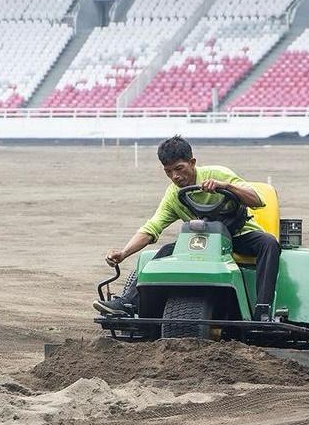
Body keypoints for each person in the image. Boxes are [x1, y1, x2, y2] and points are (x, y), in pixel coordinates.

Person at [93, 135, 281, 321]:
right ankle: (128, 303)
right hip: (203, 242)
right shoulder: (174, 195)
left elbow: (257, 200)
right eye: (168, 172)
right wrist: (124, 253)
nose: (175, 176)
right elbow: (152, 227)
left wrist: (226, 186)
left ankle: (263, 310)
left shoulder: (218, 174)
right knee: (165, 251)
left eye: (179, 168)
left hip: (239, 235)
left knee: (269, 243)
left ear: (192, 162)